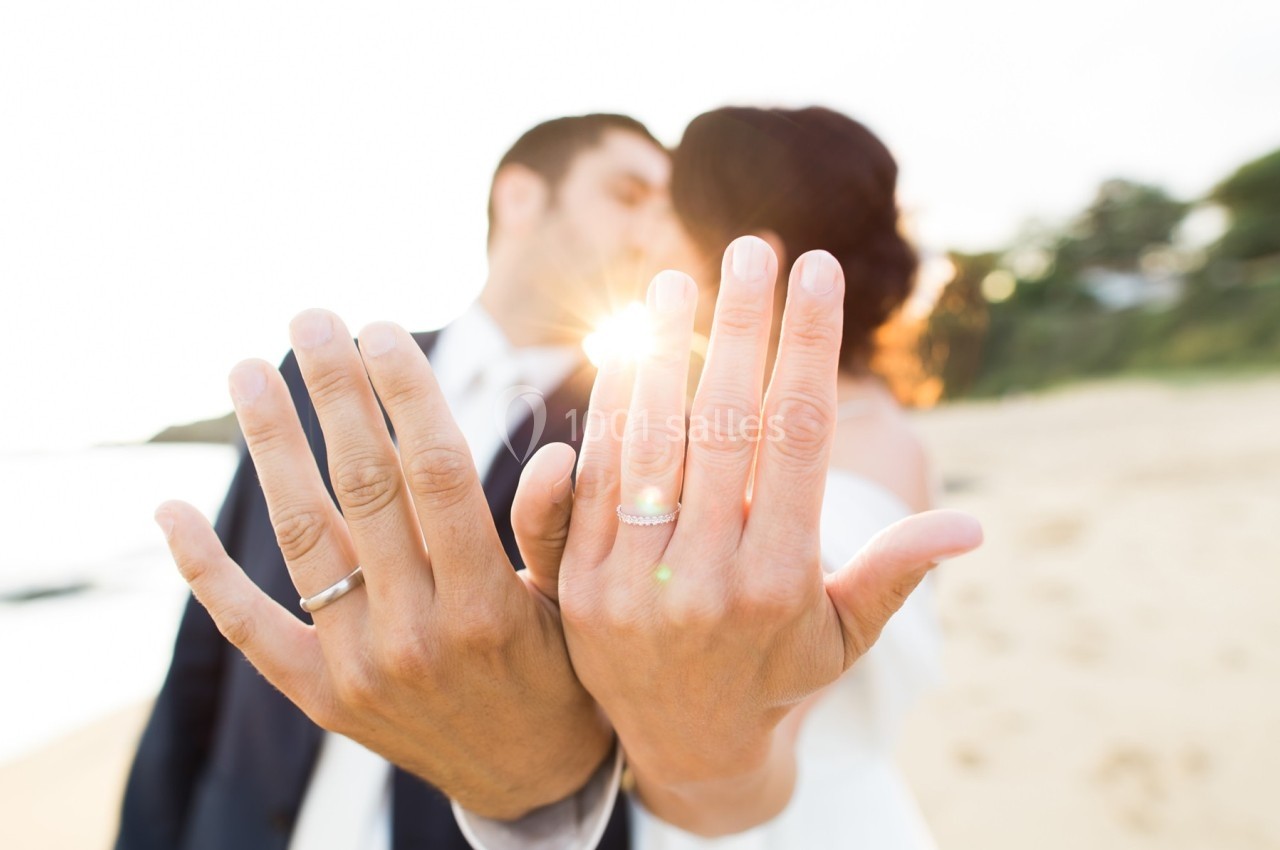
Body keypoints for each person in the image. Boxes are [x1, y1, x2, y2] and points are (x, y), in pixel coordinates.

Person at [116, 113, 672, 850]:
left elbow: (635, 713)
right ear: (520, 197)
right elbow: (207, 649)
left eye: (666, 212)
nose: (652, 233)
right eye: (629, 195)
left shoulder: (637, 442)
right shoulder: (323, 384)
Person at [613, 106, 950, 847]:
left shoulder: (855, 465)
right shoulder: (865, 431)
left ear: (751, 263)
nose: (639, 236)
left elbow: (737, 774)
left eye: (663, 210)